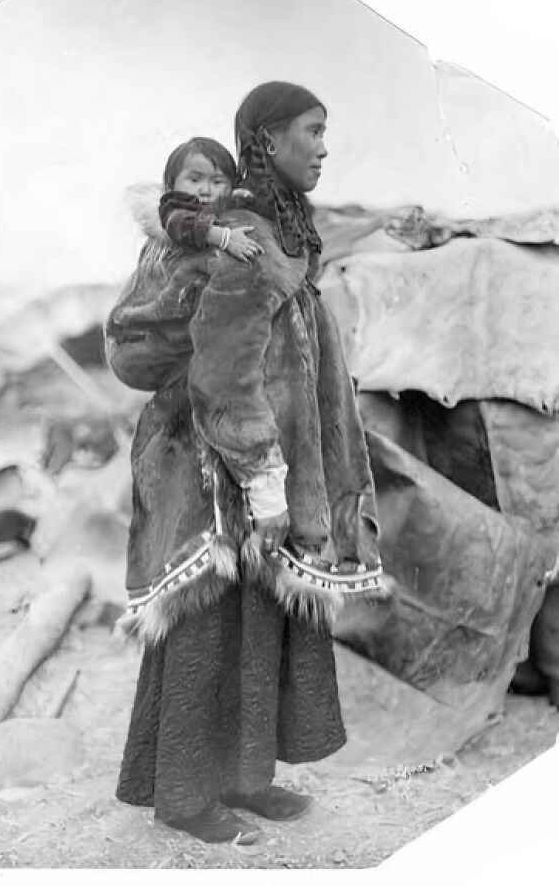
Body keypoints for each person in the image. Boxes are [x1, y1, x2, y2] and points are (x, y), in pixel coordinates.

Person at [105, 81, 386, 846]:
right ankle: (186, 797)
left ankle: (244, 777)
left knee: (258, 622)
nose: (325, 146)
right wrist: (264, 483)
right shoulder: (244, 239)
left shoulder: (282, 229)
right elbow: (223, 374)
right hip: (214, 468)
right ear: (267, 140)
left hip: (254, 467)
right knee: (209, 624)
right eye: (313, 130)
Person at [115, 137, 263, 329]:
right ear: (170, 185)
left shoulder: (224, 211)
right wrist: (225, 238)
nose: (205, 190)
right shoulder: (173, 208)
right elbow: (180, 224)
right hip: (168, 305)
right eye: (194, 180)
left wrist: (238, 202)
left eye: (217, 182)